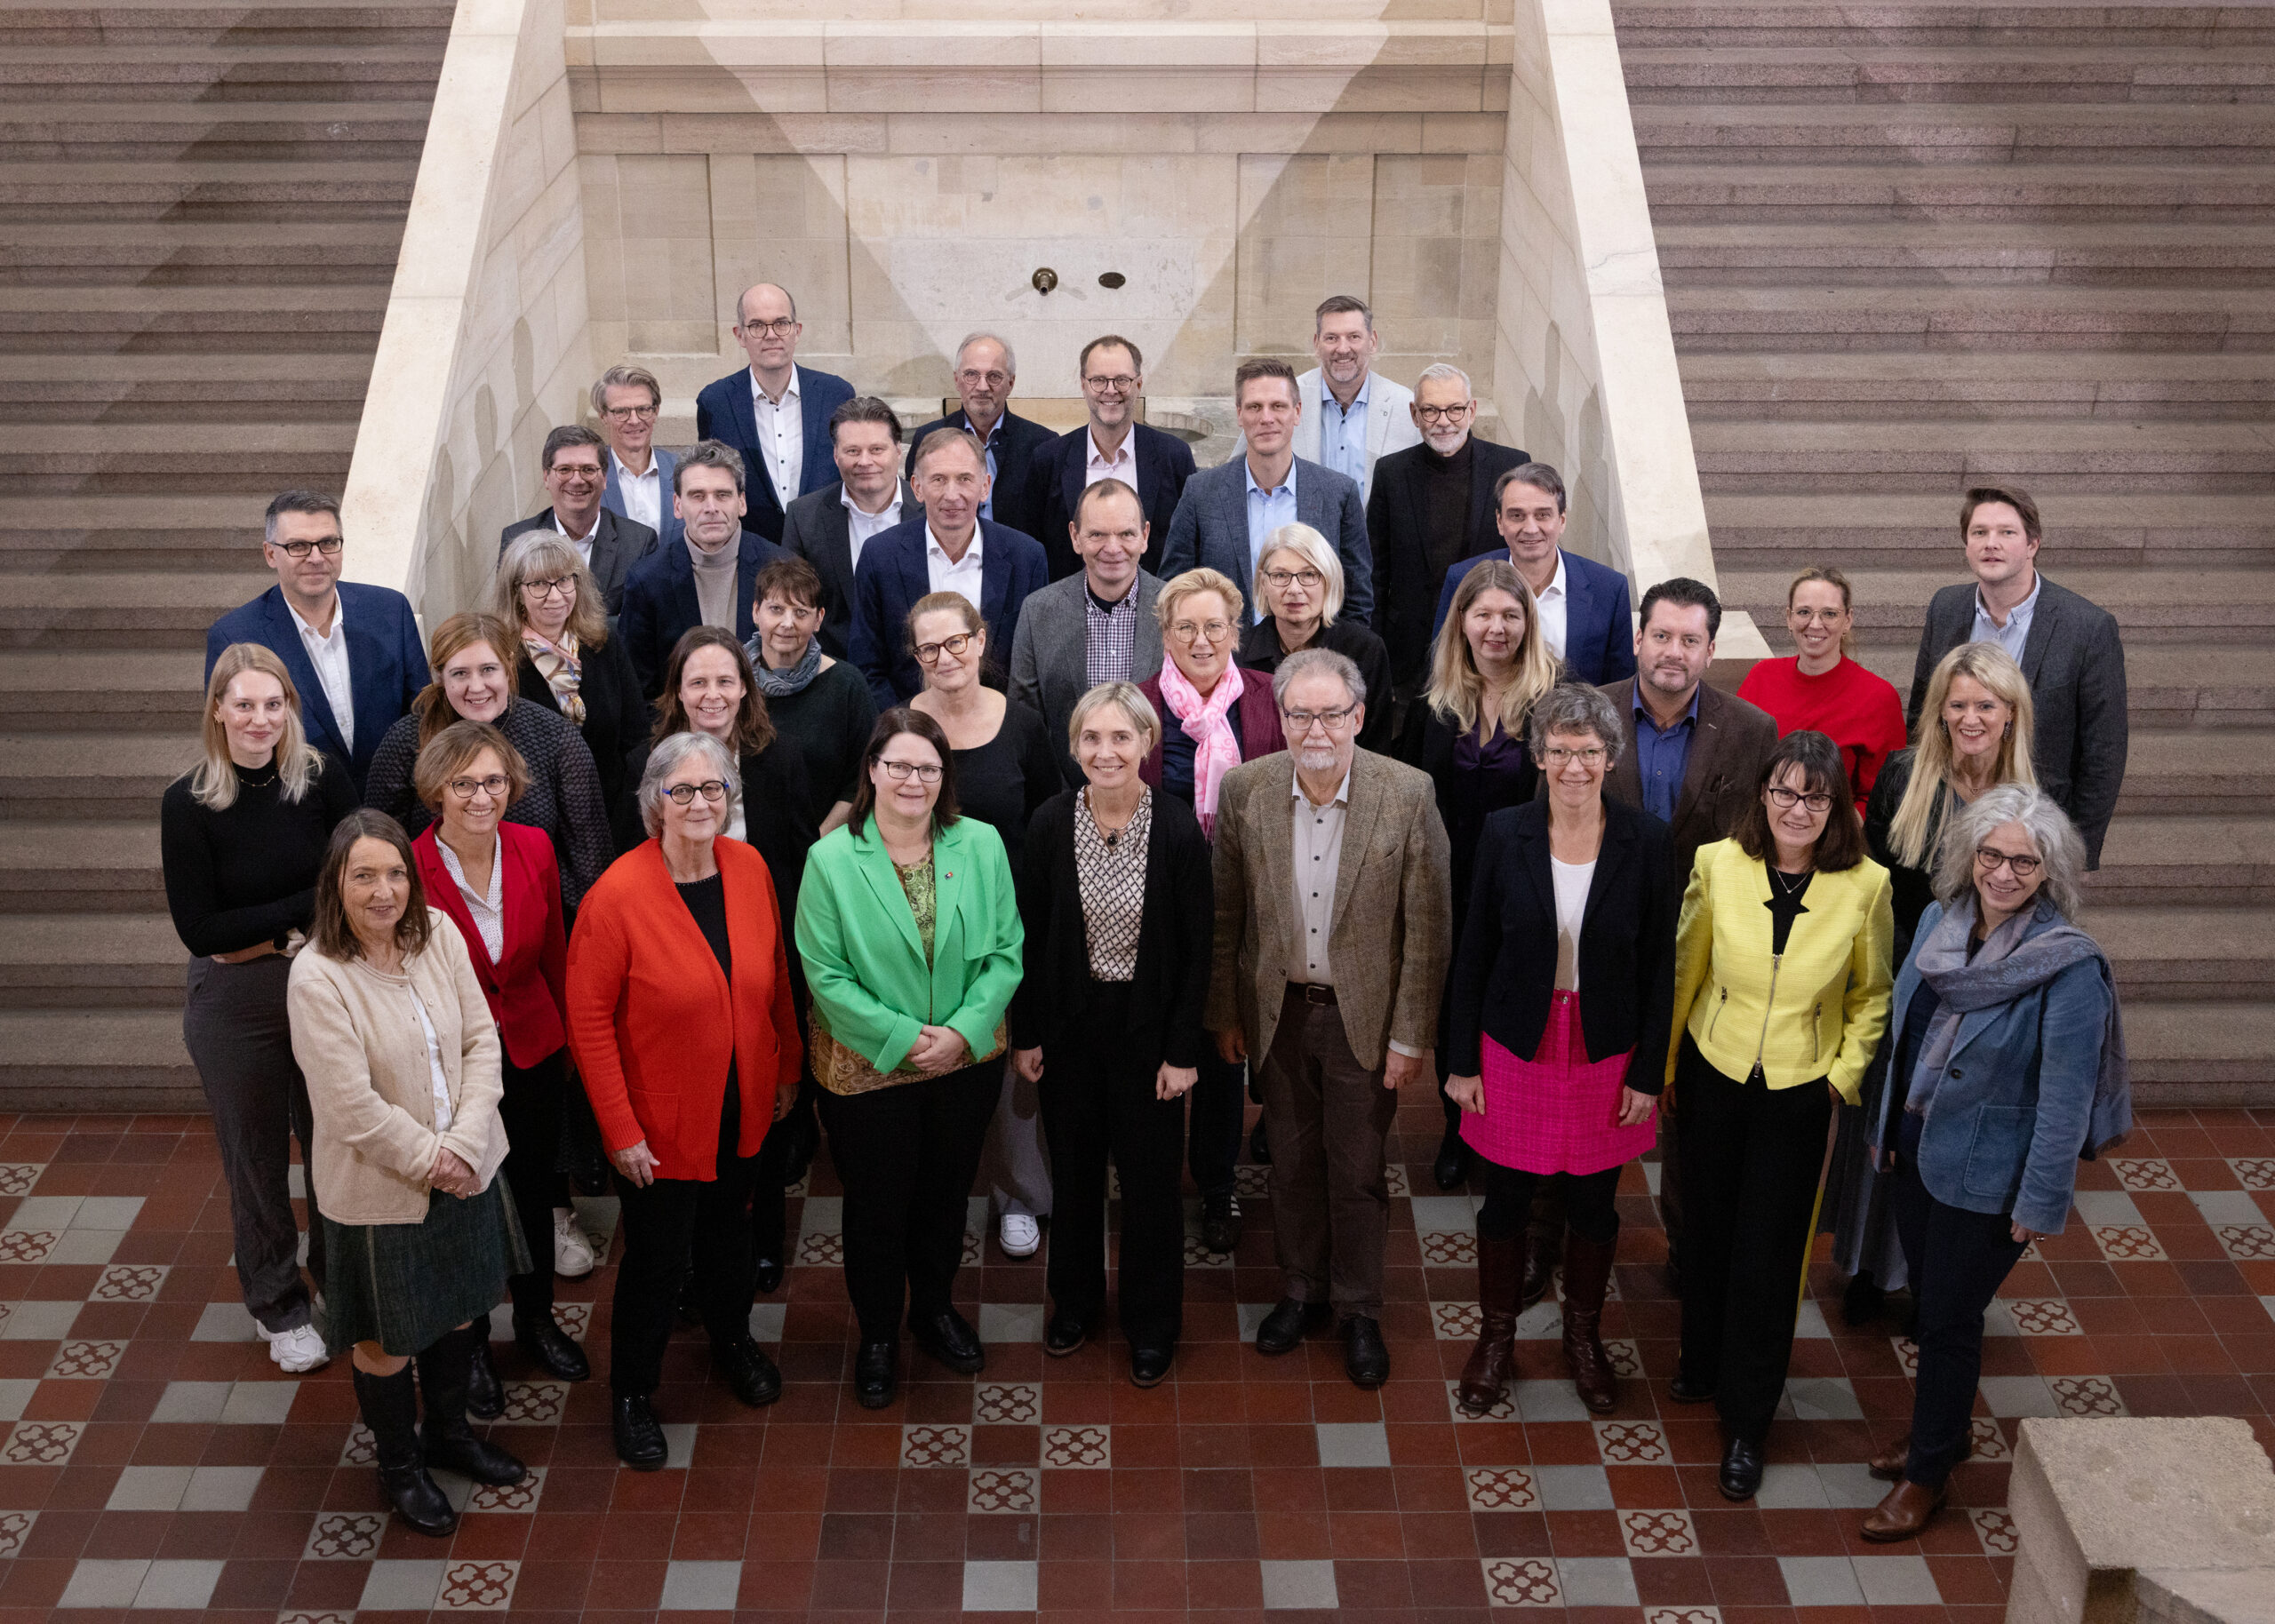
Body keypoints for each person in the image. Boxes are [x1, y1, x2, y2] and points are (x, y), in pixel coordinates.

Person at [1858, 785, 2125, 1542]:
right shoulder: (1941, 925)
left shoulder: (2067, 967)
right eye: (1991, 854)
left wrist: (2038, 1203)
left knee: (1948, 1318)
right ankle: (1942, 1431)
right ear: (1968, 855)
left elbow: (2066, 1100)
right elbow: (1903, 1034)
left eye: (2024, 862)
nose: (2004, 873)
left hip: (1991, 1176)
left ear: (2050, 872)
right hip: (1917, 1154)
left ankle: (1929, 1474)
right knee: (1929, 1309)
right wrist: (1884, 1126)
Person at [1210, 649, 1451, 1388]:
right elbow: (1228, 916)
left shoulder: (1407, 793)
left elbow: (1428, 929)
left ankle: (1359, 1309)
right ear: (1279, 718)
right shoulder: (1245, 789)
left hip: (1365, 1021)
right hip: (1277, 1014)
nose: (1315, 729)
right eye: (1298, 714)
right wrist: (1227, 1014)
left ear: (1358, 716)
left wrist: (1411, 1036)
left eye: (1330, 713)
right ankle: (1299, 1289)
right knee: (1288, 1162)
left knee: (1355, 1171)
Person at [565, 733, 803, 1468]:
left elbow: (776, 979)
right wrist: (621, 1132)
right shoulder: (616, 897)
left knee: (733, 1236)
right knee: (657, 1261)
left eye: (713, 790)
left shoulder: (750, 866)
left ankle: (732, 1339)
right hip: (659, 1123)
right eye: (682, 791)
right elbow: (589, 1025)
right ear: (653, 803)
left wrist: (787, 1068)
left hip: (746, 1102)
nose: (700, 803)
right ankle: (633, 1392)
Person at [286, 811, 528, 1536]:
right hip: (380, 1192)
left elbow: (483, 1042)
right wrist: (437, 1160)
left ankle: (449, 1436)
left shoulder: (439, 938)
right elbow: (350, 1106)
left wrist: (466, 1141)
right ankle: (399, 1467)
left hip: (467, 1163)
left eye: (395, 873)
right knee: (384, 1341)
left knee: (458, 1309)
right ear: (337, 883)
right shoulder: (318, 975)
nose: (384, 890)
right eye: (364, 875)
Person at [1668, 730, 1893, 1503]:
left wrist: (1841, 1079)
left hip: (1799, 1089)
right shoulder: (1717, 866)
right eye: (1785, 792)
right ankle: (1701, 1361)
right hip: (1714, 1069)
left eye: (1815, 796)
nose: (1798, 809)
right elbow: (1685, 968)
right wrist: (1667, 1068)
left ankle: (1748, 1420)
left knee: (1769, 1253)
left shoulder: (1866, 886)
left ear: (1836, 809)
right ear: (1762, 796)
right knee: (1706, 1227)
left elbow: (1873, 998)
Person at [1444, 683, 1676, 1416]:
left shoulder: (1648, 840)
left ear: (1610, 758)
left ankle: (1583, 1337)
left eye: (1589, 752)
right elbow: (1472, 948)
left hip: (1607, 1043)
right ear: (1539, 757)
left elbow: (1660, 967)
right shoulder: (1503, 830)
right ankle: (1497, 1338)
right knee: (1505, 1201)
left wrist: (1648, 1069)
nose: (1574, 766)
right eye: (1559, 751)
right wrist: (1460, 1060)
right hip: (1515, 1039)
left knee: (1594, 1206)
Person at [794, 710, 1024, 1410]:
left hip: (965, 1062)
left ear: (944, 776)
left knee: (946, 1196)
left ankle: (933, 1310)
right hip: (866, 1074)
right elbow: (823, 974)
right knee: (877, 1208)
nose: (912, 779)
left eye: (927, 767)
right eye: (898, 765)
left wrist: (960, 1032)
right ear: (871, 771)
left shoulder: (980, 844)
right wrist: (904, 1037)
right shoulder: (831, 857)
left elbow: (1006, 951)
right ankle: (877, 1337)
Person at [1010, 684, 1213, 1386]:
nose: (1106, 752)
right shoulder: (1047, 823)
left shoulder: (1180, 829)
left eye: (1121, 738)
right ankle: (1075, 1307)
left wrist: (1183, 1053)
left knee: (1153, 1190)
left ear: (1148, 745)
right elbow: (1028, 938)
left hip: (1148, 1034)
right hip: (1069, 1029)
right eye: (1092, 739)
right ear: (1073, 747)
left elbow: (1197, 951)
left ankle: (1151, 1325)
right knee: (1074, 1179)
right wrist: (1028, 1033)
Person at [163, 644, 357, 1375]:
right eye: (243, 705)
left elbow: (360, 876)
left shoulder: (322, 778)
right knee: (256, 1160)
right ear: (218, 710)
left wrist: (265, 927)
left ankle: (343, 1281)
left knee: (335, 1142)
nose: (259, 719)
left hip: (328, 988)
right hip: (236, 1006)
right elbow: (201, 932)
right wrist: (300, 917)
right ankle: (279, 1306)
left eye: (272, 704)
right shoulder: (187, 803)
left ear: (290, 710)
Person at [1832, 641, 2038, 1322]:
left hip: (1988, 994)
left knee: (1951, 1129)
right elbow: (1876, 885)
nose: (1970, 718)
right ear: (1939, 711)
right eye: (1958, 705)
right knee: (1886, 1122)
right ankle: (1866, 1267)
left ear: (2010, 714)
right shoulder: (1903, 776)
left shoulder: (2030, 802)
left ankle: (1931, 1276)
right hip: (1907, 981)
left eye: (1985, 705)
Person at [1592, 576, 1780, 1301]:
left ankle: (1687, 1249)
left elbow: (1756, 843)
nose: (1674, 652)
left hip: (1706, 952)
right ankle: (1573, 1235)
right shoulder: (1587, 713)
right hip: (1605, 943)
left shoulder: (1750, 730)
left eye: (1690, 640)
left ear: (1710, 649)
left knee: (1689, 1112)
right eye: (1661, 635)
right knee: (1589, 1094)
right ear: (1638, 637)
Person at [409, 723, 589, 1409]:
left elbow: (553, 950)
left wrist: (565, 1039)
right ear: (437, 791)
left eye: (494, 781)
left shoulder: (534, 846)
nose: (482, 796)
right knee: (473, 1200)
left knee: (537, 1189)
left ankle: (538, 1319)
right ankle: (476, 1341)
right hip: (457, 1066)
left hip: (535, 1047)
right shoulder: (413, 864)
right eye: (465, 784)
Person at [906, 592, 1061, 1259]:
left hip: (1012, 922)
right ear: (916, 657)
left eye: (957, 642)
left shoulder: (1021, 723)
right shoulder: (904, 726)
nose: (946, 658)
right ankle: (938, 1189)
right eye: (929, 648)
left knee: (1014, 1062)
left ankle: (1018, 1195)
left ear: (981, 639)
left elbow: (1051, 822)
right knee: (937, 1054)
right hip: (925, 925)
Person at [1398, 560, 1560, 1191]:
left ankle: (1510, 1128)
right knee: (1451, 1008)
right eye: (1484, 614)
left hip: (1526, 889)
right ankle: (1455, 1127)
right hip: (1446, 883)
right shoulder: (1431, 704)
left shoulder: (1555, 701)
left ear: (1528, 622)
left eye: (1511, 615)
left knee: (1514, 1005)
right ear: (1460, 621)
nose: (1497, 628)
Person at [1138, 569, 1287, 1252]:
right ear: (1164, 634)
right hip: (1157, 908)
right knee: (1163, 1041)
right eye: (1185, 627)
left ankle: (1219, 1183)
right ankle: (1154, 1174)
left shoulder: (1268, 699)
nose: (1201, 640)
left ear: (1237, 630)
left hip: (1242, 905)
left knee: (1225, 1049)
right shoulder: (1138, 708)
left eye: (1215, 626)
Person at [1907, 485, 2127, 868]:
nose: (1991, 543)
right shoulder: (1945, 607)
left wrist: (2079, 851)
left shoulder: (2087, 628)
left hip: (2037, 830)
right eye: (1980, 532)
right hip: (1948, 820)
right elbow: (1922, 715)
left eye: (2006, 532)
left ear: (2032, 544)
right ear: (1966, 545)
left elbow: (2103, 752)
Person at [362, 612, 614, 916]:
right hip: (435, 921)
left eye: (488, 669)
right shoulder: (406, 742)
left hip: (533, 917)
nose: (477, 687)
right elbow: (380, 847)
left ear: (508, 667)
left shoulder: (556, 739)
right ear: (440, 676)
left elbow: (589, 862)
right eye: (460, 674)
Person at [206, 490, 427, 792]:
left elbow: (424, 714)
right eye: (298, 546)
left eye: (327, 543)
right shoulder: (235, 635)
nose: (316, 558)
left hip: (394, 808)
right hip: (298, 811)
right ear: (271, 554)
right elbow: (232, 742)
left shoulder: (390, 610)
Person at [1159, 357, 1374, 625]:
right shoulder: (1201, 493)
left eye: (1278, 406)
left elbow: (1358, 599)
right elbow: (1174, 589)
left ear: (1297, 412)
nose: (1266, 418)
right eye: (1254, 407)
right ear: (1239, 413)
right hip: (1228, 661)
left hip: (1314, 660)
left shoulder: (1338, 493)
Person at [849, 429, 1050, 707]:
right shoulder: (879, 556)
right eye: (939, 480)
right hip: (909, 731)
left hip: (999, 730)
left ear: (985, 486)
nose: (952, 494)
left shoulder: (1027, 557)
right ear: (917, 487)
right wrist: (908, 729)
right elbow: (867, 667)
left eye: (964, 479)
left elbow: (1034, 669)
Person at [1366, 363, 1529, 707]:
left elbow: (1525, 559)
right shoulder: (1391, 473)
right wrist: (1377, 654)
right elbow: (1374, 574)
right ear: (1415, 414)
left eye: (1454, 409)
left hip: (1490, 648)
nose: (1443, 421)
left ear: (1471, 411)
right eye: (1431, 410)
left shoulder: (1511, 468)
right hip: (1410, 657)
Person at [496, 533, 649, 851]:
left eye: (564, 581)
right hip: (535, 834)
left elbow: (637, 741)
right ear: (516, 594)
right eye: (539, 584)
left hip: (615, 820)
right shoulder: (499, 659)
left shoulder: (605, 642)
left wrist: (624, 821)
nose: (555, 596)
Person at [1009, 478, 1166, 778]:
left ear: (1145, 536)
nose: (1112, 548)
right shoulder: (1038, 611)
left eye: (1126, 534)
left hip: (1155, 795)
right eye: (1097, 534)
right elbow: (1026, 720)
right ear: (1075, 536)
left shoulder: (1176, 609)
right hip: (1066, 798)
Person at [1432, 463, 1634, 687]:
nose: (1530, 528)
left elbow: (1620, 687)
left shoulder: (1608, 589)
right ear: (1500, 522)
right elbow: (1444, 666)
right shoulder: (1462, 578)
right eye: (1517, 515)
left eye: (1543, 515)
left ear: (1562, 520)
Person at [618, 440, 786, 697]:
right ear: (677, 505)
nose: (711, 508)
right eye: (697, 496)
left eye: (722, 495)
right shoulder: (647, 580)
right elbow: (638, 691)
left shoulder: (782, 568)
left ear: (741, 502)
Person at [693, 282, 856, 543]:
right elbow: (711, 478)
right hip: (751, 550)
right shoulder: (716, 402)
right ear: (739, 335)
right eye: (757, 326)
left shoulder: (836, 395)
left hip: (826, 547)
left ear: (797, 331)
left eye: (781, 323)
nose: (771, 335)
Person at [1026, 334, 1197, 579]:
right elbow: (1034, 548)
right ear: (1083, 385)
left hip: (1157, 610)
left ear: (1138, 385)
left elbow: (1189, 547)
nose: (1110, 390)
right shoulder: (1048, 460)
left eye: (1121, 380)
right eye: (1099, 380)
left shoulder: (1174, 456)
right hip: (1071, 611)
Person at [1738, 567, 1906, 802]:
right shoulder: (1760, 678)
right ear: (1789, 618)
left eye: (1829, 614)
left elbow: (1881, 800)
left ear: (1847, 620)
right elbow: (1738, 769)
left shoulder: (1879, 697)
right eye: (1804, 612)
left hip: (1839, 834)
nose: (1815, 624)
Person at [1235, 295, 1420, 504]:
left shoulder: (1405, 407)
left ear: (1373, 342)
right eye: (1331, 338)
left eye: (1354, 337)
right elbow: (1237, 472)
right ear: (1317, 344)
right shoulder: (1281, 400)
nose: (1342, 349)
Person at [1237, 521, 1394, 755]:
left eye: (1309, 575)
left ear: (1329, 581)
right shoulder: (1238, 654)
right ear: (1263, 582)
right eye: (1280, 575)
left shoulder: (1365, 650)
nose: (1294, 589)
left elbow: (1375, 749)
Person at [747, 555, 878, 833]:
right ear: (756, 612)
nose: (787, 623)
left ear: (819, 619)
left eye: (800, 612)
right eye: (776, 609)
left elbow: (863, 778)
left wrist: (815, 845)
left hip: (825, 848)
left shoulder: (847, 685)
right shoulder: (733, 684)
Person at [782, 397, 914, 659]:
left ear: (898, 451)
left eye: (877, 449)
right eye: (853, 451)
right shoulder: (803, 516)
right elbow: (793, 606)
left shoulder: (931, 509)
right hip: (833, 674)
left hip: (919, 675)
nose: (864, 461)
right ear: (835, 455)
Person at [498, 425, 658, 616]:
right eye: (564, 470)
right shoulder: (516, 538)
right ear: (546, 477)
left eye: (588, 470)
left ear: (605, 478)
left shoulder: (639, 541)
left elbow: (644, 620)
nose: (577, 480)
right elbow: (510, 615)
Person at [906, 332, 1054, 538]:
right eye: (971, 375)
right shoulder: (928, 438)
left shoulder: (1041, 444)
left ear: (1010, 383)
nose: (982, 386)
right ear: (957, 380)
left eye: (994, 376)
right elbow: (916, 511)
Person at [594, 363, 682, 553]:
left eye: (643, 409)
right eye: (621, 412)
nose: (634, 420)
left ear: (656, 411)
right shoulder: (589, 478)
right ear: (603, 416)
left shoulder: (683, 471)